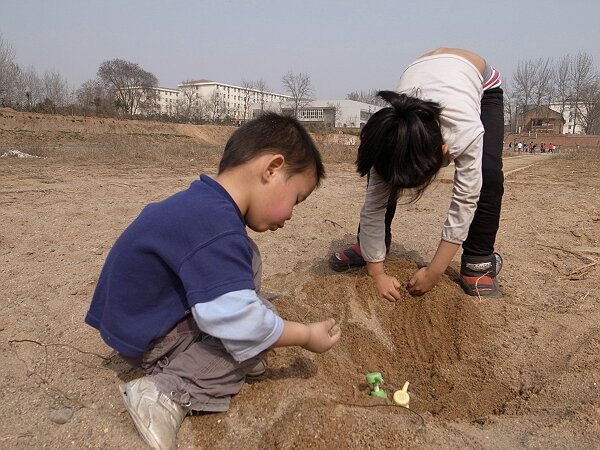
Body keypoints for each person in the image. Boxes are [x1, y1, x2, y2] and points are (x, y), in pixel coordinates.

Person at [85, 113, 341, 450]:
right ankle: (162, 394)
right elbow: (241, 321)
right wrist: (305, 335)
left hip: (141, 317)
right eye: (295, 199)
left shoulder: (204, 204)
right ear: (272, 169)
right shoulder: (216, 225)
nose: (291, 215)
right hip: (148, 337)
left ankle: (222, 348)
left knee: (247, 262)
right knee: (246, 336)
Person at [329, 48, 504, 300]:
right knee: (387, 171)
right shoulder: (389, 137)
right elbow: (373, 206)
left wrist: (434, 271)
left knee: (488, 174)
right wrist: (376, 272)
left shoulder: (463, 131)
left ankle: (479, 261)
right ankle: (372, 247)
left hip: (482, 83)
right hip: (427, 72)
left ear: (445, 150)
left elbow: (465, 200)